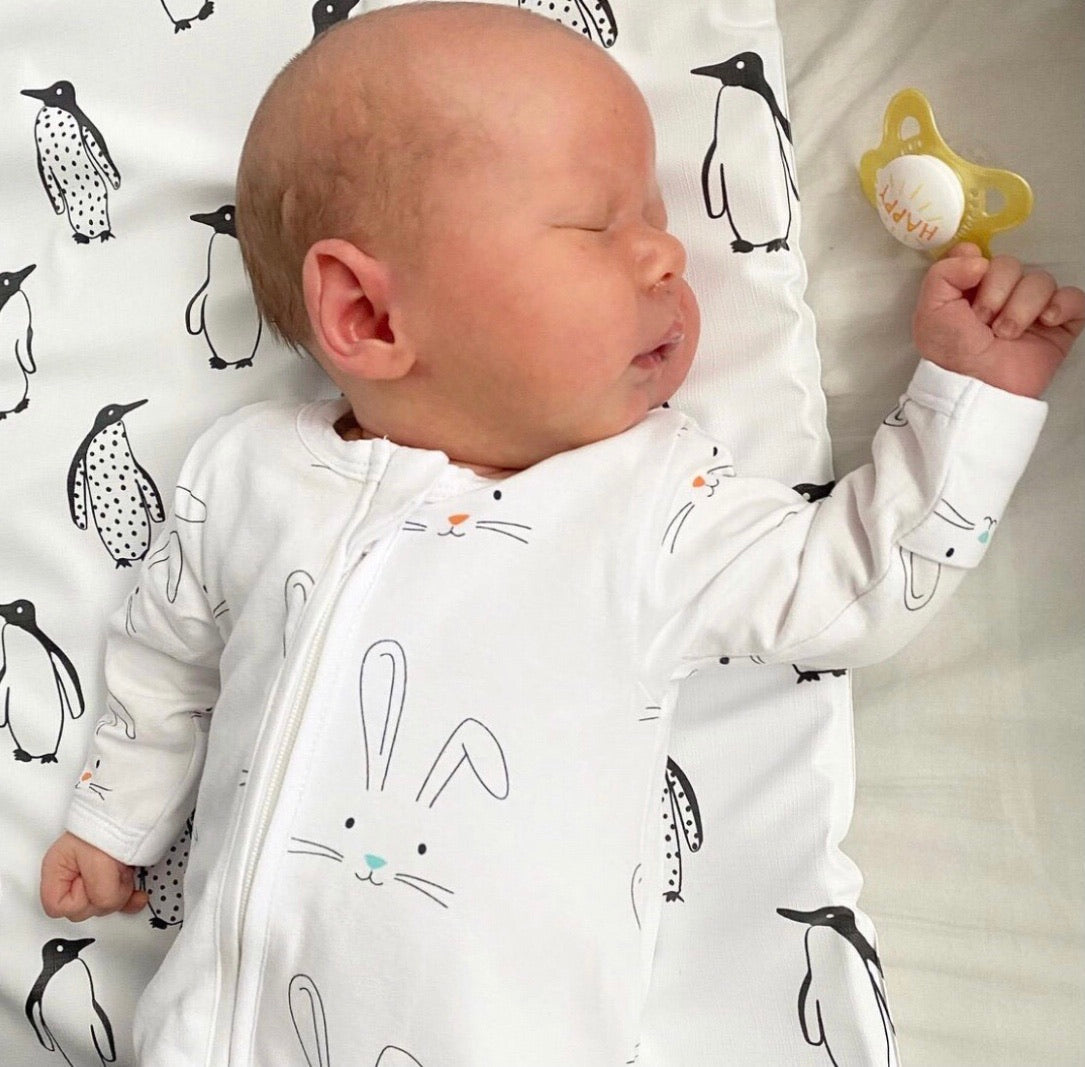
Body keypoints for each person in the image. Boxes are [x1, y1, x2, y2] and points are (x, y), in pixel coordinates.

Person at [39, 4, 1083, 1065]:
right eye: (593, 225)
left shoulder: (645, 502)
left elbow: (850, 582)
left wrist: (971, 398)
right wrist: (117, 817)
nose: (666, 253)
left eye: (655, 218)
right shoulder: (250, 472)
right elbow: (167, 654)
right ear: (370, 316)